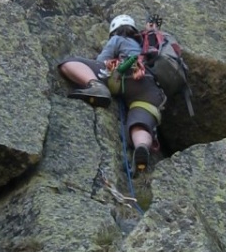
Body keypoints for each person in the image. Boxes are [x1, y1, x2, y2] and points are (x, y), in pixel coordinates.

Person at [59, 14, 165, 173]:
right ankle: (141, 147)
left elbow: (103, 61)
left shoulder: (118, 39)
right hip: (149, 88)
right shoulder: (146, 46)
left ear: (114, 30)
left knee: (68, 64)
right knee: (139, 123)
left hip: (125, 74)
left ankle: (95, 86)